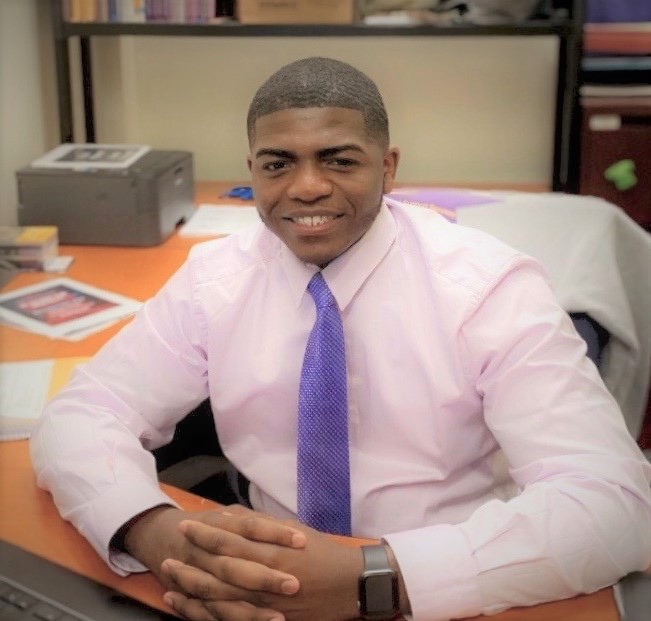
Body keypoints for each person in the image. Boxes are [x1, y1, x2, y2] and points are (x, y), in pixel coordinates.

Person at [30, 57, 651, 621]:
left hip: (450, 583)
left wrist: (373, 577)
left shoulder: (489, 289)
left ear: (388, 167)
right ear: (252, 172)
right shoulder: (215, 280)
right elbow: (86, 411)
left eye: (339, 160)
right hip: (251, 583)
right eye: (278, 164)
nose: (306, 188)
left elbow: (617, 503)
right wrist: (150, 530)